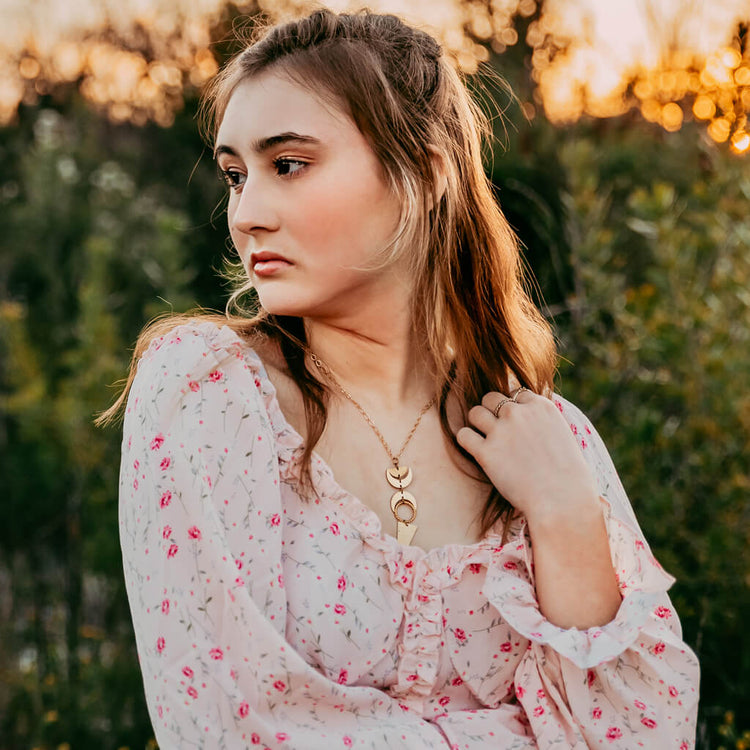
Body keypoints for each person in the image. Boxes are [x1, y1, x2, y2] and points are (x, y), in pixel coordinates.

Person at [105, 8, 699, 748]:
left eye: (288, 165)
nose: (247, 214)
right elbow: (235, 726)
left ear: (424, 172)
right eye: (235, 175)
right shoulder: (210, 392)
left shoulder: (551, 439)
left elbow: (646, 733)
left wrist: (564, 515)